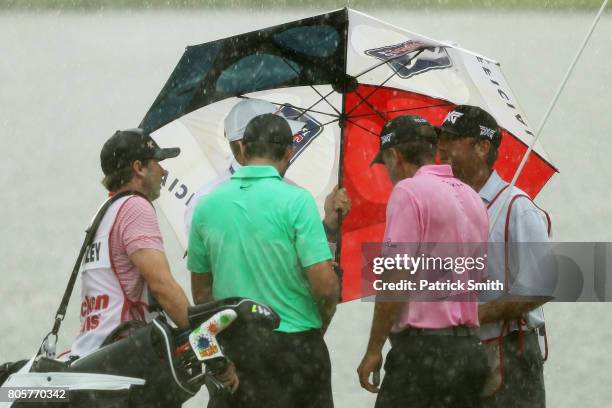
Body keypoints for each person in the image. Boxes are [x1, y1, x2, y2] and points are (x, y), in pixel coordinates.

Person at [188, 113, 339, 408]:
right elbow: (323, 287)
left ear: (243, 148)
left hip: (234, 350)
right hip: (296, 349)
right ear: (288, 152)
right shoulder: (298, 201)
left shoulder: (205, 207)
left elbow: (202, 296)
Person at [69, 128, 238, 392]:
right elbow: (163, 286)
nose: (162, 171)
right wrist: (211, 351)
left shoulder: (103, 214)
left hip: (90, 358)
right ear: (139, 168)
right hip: (123, 364)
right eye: (156, 162)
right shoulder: (136, 207)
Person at [357, 114, 489, 408]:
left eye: (386, 163)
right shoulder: (472, 197)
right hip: (469, 352)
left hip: (424, 357)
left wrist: (374, 348)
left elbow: (395, 277)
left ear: (394, 155)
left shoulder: (409, 191)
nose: (389, 172)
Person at [438, 105, 552, 408]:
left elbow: (541, 287)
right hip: (459, 352)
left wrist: (475, 314)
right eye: (441, 138)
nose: (442, 147)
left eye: (452, 139)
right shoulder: (447, 205)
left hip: (511, 351)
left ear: (482, 146)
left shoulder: (518, 207)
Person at [184, 98, 351, 245]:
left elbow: (308, 260)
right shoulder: (205, 202)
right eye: (281, 140)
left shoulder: (295, 194)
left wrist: (329, 225)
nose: (289, 148)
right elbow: (209, 273)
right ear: (244, 146)